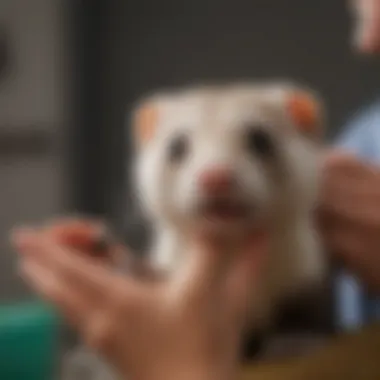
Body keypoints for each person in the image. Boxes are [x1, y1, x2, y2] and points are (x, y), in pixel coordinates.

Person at [11, 1, 380, 379]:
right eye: (179, 150)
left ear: (303, 130)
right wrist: (139, 293)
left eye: (257, 143)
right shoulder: (361, 146)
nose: (215, 174)